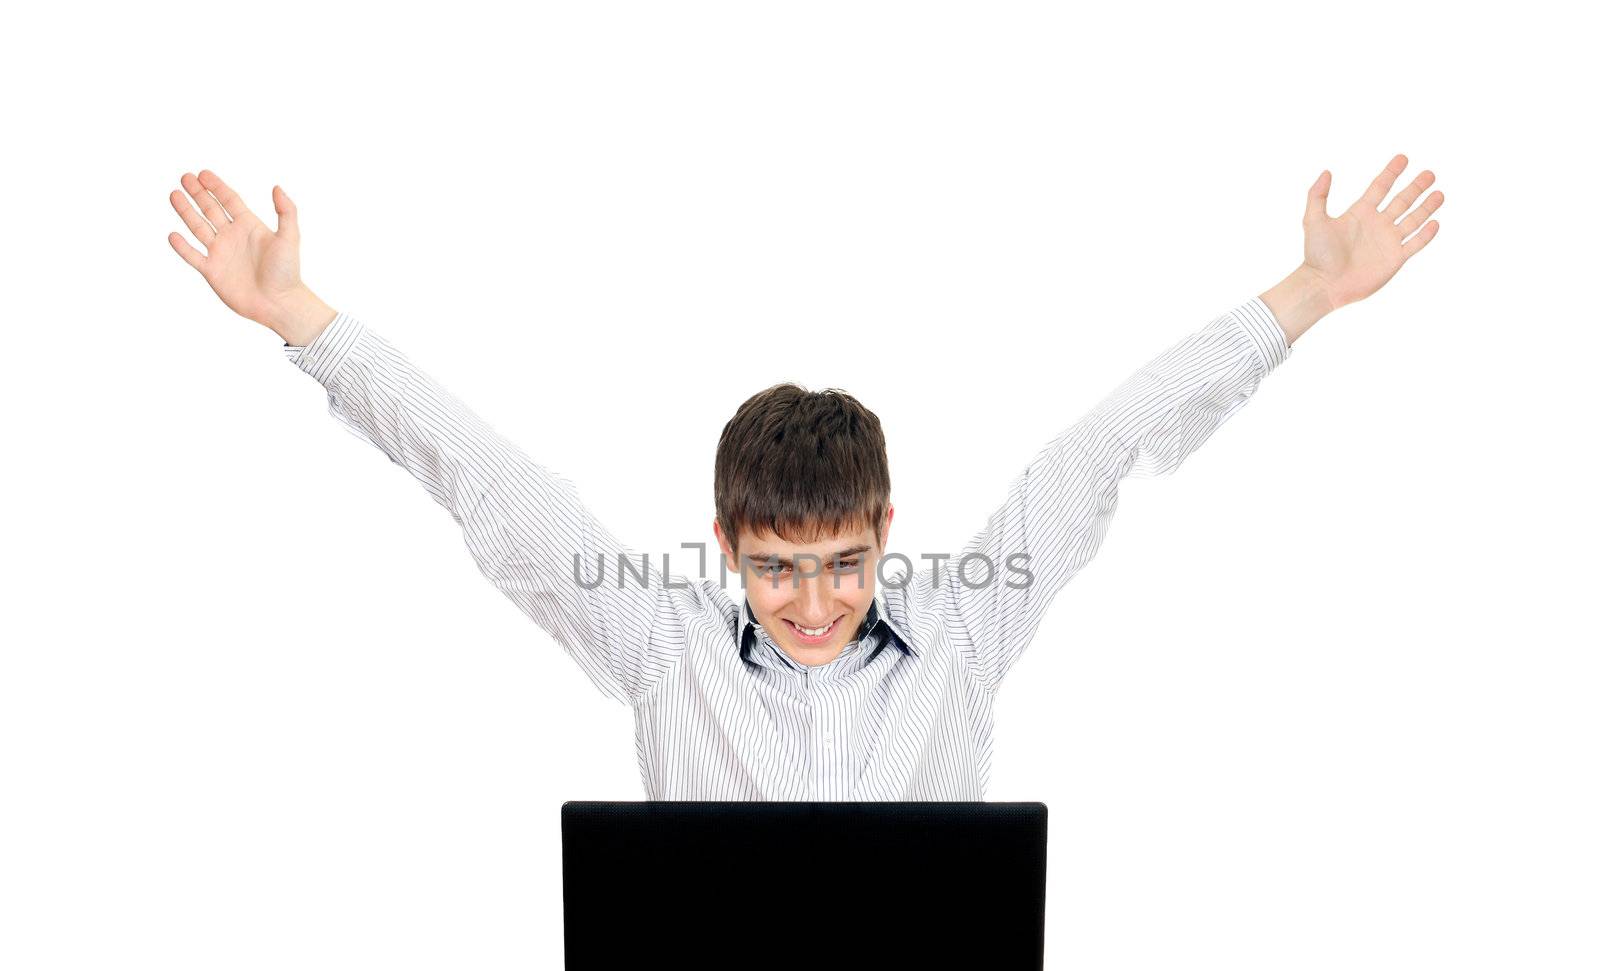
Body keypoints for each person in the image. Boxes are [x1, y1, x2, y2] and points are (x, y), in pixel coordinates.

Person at [166, 158, 1443, 801]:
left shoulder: (966, 619)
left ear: (886, 527)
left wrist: (1309, 298)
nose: (816, 599)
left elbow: (1101, 449)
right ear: (724, 542)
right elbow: (488, 480)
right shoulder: (657, 636)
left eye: (841, 559)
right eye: (777, 566)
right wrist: (303, 320)